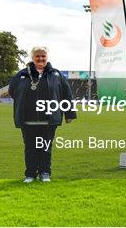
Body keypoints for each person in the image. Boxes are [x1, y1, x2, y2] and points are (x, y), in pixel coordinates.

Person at [8, 47, 76, 183]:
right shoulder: (21, 75)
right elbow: (12, 90)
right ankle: (30, 174)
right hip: (28, 120)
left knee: (45, 147)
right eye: (37, 56)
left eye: (43, 56)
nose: (40, 59)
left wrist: (70, 114)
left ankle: (45, 173)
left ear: (47, 57)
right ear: (32, 58)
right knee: (30, 148)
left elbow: (67, 95)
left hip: (48, 119)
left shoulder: (56, 75)